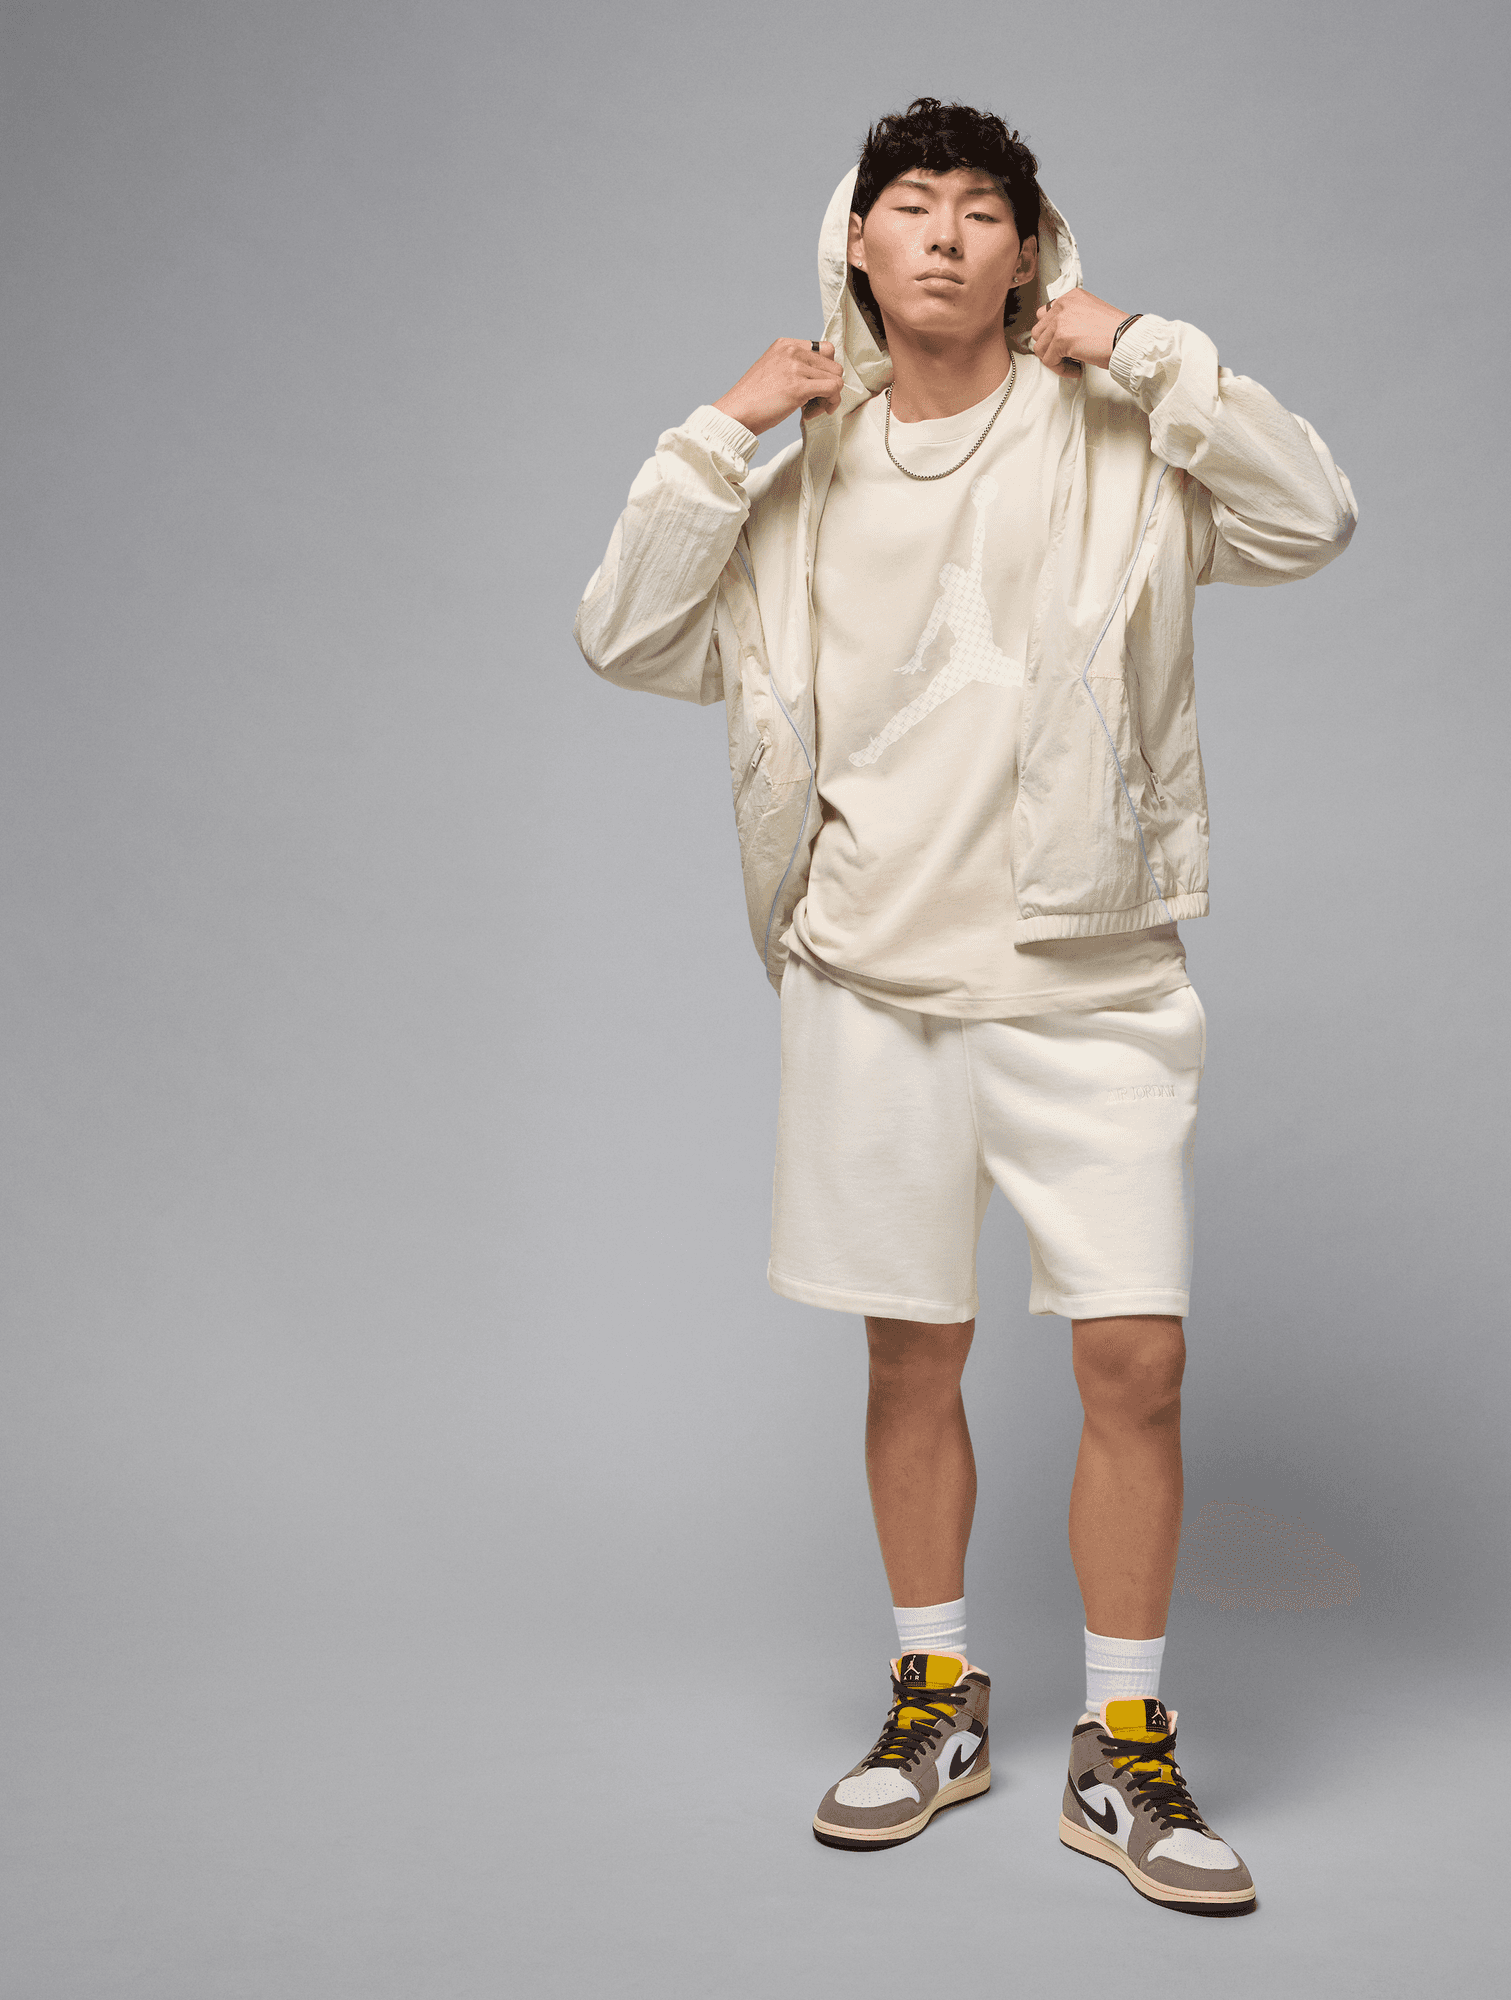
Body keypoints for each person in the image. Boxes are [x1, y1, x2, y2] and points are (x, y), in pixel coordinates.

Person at [572, 98, 1355, 1916]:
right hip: (872, 979)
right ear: (854, 244)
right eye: (909, 205)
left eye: (982, 209)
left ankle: (1127, 1745)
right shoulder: (801, 480)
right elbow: (624, 634)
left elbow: (1311, 517)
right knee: (909, 1353)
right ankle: (938, 1698)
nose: (942, 234)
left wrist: (1141, 347)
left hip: (1092, 974)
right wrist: (721, 430)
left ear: (1030, 247)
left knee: (1134, 1359)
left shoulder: (1117, 439)